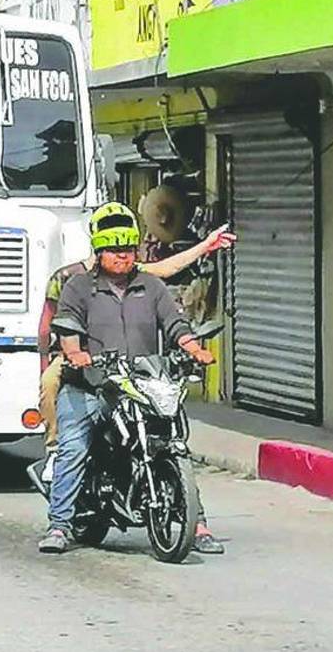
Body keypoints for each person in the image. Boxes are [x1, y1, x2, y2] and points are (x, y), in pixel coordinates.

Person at [37, 204, 235, 554]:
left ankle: (198, 524)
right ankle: (60, 525)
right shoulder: (77, 286)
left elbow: (173, 322)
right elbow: (66, 323)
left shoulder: (150, 286)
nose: (122, 257)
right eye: (115, 251)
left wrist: (192, 347)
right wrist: (75, 353)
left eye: (128, 250)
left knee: (174, 440)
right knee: (74, 448)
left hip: (141, 382)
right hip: (91, 384)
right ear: (99, 251)